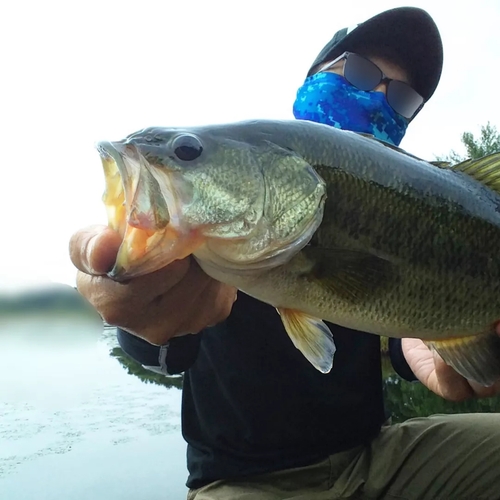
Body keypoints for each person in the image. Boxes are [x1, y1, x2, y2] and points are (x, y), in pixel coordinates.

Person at [70, 7, 500, 500]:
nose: (377, 99)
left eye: (401, 98)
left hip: (377, 458)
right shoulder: (202, 233)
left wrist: (440, 345)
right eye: (359, 72)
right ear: (313, 78)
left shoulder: (410, 198)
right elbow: (161, 344)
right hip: (244, 482)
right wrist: (133, 306)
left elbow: (402, 323)